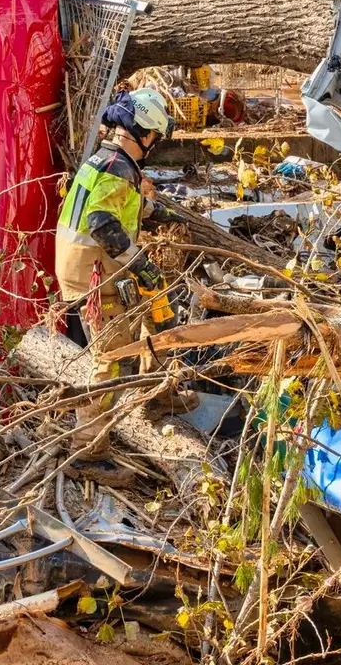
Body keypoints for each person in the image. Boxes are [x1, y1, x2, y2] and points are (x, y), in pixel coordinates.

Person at [55, 88, 197, 459]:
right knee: (113, 360)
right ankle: (85, 449)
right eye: (155, 136)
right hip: (95, 272)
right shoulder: (118, 168)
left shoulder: (107, 160)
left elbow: (119, 203)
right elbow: (101, 220)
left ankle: (159, 393)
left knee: (155, 307)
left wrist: (159, 212)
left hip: (88, 264)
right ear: (145, 133)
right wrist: (140, 262)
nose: (155, 144)